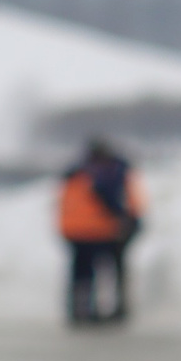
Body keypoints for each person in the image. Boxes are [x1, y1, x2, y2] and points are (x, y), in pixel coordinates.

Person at [57, 139, 141, 325]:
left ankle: (80, 310)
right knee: (107, 271)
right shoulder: (109, 173)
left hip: (75, 232)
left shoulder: (75, 174)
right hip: (101, 230)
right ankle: (107, 309)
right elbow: (117, 200)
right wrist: (127, 220)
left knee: (82, 273)